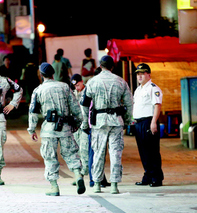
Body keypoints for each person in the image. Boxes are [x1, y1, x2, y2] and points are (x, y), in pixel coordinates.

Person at [27, 62, 85, 196]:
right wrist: (77, 122)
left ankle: (54, 187)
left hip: (49, 129)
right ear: (53, 74)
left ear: (41, 75)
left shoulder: (38, 90)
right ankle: (78, 175)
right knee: (71, 153)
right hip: (65, 127)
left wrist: (31, 129)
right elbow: (76, 107)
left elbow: (33, 112)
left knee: (50, 157)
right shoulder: (65, 87)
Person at [80, 55, 133, 194]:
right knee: (116, 153)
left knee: (98, 153)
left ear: (100, 66)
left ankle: (97, 184)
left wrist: (85, 123)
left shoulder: (92, 82)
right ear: (112, 66)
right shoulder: (121, 82)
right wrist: (127, 121)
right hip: (116, 121)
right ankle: (114, 185)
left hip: (99, 122)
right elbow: (129, 103)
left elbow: (84, 104)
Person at [71, 72, 110, 188]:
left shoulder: (87, 92)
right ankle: (80, 177)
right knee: (77, 152)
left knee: (86, 153)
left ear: (82, 82)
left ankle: (90, 176)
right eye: (74, 86)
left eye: (77, 85)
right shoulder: (73, 94)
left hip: (85, 126)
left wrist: (85, 125)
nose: (76, 87)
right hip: (76, 128)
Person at [133, 63, 164, 187]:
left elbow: (157, 105)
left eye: (142, 73)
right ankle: (148, 175)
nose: (140, 76)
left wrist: (153, 122)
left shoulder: (153, 88)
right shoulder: (138, 89)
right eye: (138, 74)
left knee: (152, 151)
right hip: (139, 123)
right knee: (143, 151)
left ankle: (156, 177)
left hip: (148, 122)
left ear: (149, 74)